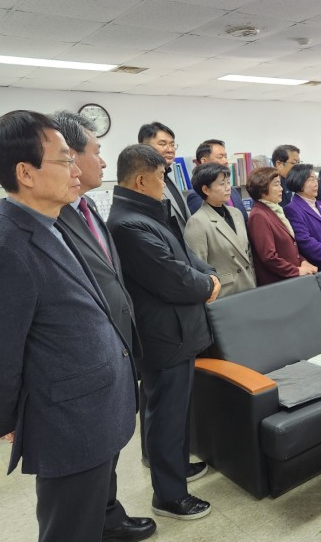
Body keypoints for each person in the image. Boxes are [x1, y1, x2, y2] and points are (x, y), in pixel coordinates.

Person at [0, 111, 140, 542]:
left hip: (93, 408)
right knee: (70, 530)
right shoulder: (5, 245)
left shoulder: (51, 222)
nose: (76, 170)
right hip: (67, 422)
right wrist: (8, 420)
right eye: (64, 160)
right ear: (25, 172)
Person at [52, 110, 155, 542]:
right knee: (84, 469)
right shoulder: (53, 217)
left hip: (118, 348)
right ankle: (100, 518)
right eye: (97, 151)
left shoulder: (89, 205)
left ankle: (109, 515)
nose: (102, 161)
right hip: (85, 363)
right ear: (70, 156)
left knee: (110, 448)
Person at [107, 144, 218, 521]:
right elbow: (172, 277)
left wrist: (207, 275)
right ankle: (169, 497)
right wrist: (207, 286)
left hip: (178, 331)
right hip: (164, 335)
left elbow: (185, 256)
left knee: (175, 411)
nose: (164, 183)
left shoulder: (149, 212)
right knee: (165, 414)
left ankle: (175, 467)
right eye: (160, 177)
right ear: (141, 179)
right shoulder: (127, 223)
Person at [184, 162, 255, 297]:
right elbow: (199, 267)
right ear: (206, 190)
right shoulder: (197, 222)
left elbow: (248, 253)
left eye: (228, 182)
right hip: (225, 292)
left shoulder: (236, 213)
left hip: (249, 284)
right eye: (222, 184)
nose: (228, 188)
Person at [246, 166, 317, 285]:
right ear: (263, 188)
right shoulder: (259, 215)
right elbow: (268, 257)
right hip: (277, 283)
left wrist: (302, 261)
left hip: (290, 279)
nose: (281, 189)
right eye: (276, 185)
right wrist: (296, 270)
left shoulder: (274, 210)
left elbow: (289, 247)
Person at [138, 121, 190, 231]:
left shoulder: (168, 176)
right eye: (162, 144)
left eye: (172, 144)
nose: (170, 149)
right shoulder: (142, 183)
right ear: (144, 147)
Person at [185, 139, 248, 223]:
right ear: (204, 161)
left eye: (225, 157)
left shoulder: (232, 190)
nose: (226, 161)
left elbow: (245, 221)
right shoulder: (197, 195)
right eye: (220, 157)